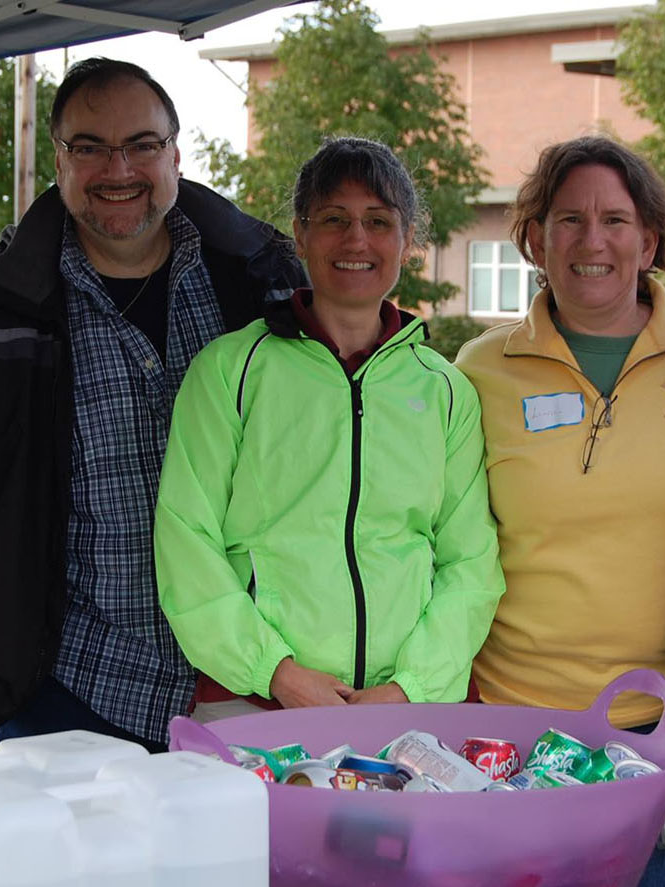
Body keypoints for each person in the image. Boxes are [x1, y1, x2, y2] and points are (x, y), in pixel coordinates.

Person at [0, 58, 304, 753]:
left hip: (251, 687)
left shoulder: (259, 286)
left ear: (174, 154)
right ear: (58, 161)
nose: (117, 168)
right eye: (89, 146)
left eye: (141, 145)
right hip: (70, 693)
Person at [456, 136, 665, 887]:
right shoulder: (478, 372)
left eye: (616, 218)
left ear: (649, 240)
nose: (593, 240)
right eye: (569, 219)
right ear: (535, 240)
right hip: (515, 740)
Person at [154, 137, 503, 710]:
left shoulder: (444, 391)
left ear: (408, 240)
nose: (357, 240)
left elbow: (470, 563)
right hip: (257, 698)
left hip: (410, 707)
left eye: (379, 221)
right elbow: (185, 539)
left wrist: (409, 687)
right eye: (334, 219)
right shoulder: (229, 371)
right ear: (300, 234)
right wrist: (277, 673)